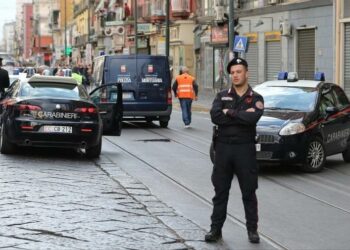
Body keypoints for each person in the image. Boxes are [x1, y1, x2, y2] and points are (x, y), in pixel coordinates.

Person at [205, 58, 264, 244]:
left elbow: (252, 118)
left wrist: (229, 113)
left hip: (244, 149)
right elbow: (215, 117)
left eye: (239, 71)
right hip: (223, 149)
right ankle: (215, 230)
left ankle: (252, 230)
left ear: (246, 73)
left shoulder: (256, 98)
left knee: (249, 191)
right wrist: (239, 116)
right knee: (220, 191)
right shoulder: (222, 95)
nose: (236, 75)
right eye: (233, 72)